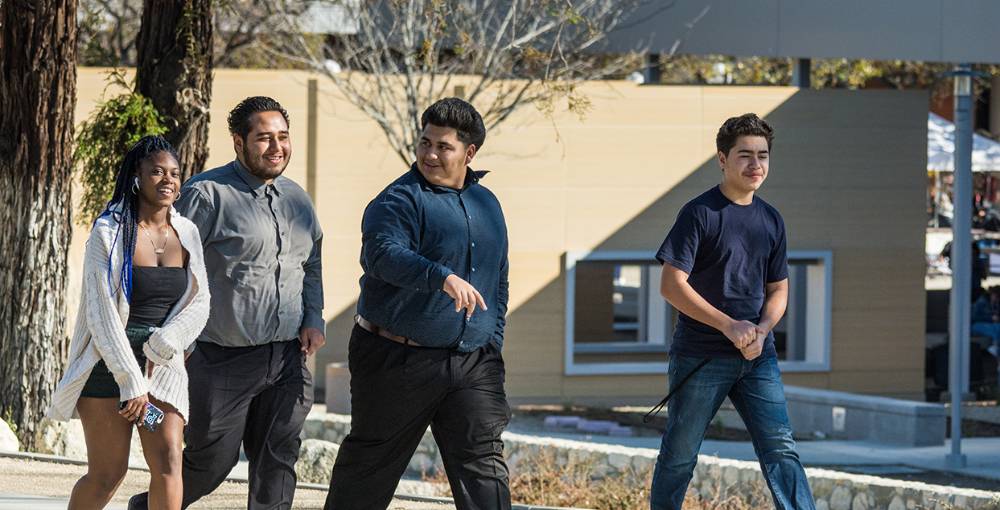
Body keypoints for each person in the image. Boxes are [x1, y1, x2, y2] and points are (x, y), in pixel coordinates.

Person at [129, 97, 325, 510]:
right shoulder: (207, 195)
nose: (277, 147)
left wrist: (313, 316)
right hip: (220, 359)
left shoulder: (298, 199)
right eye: (264, 138)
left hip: (287, 357)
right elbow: (171, 267)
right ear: (239, 142)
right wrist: (166, 343)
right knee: (211, 462)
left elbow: (311, 262)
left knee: (278, 459)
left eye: (283, 137)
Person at [325, 97, 511, 510]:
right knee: (369, 468)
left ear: (469, 153)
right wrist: (441, 276)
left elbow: (498, 279)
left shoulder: (488, 204)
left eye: (443, 146)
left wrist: (492, 342)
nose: (430, 154)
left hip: (473, 362)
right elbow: (382, 255)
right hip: (397, 359)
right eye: (425, 142)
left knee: (484, 468)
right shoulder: (398, 200)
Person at [649, 113, 815, 510]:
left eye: (763, 155)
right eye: (745, 155)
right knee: (680, 456)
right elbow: (671, 285)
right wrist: (728, 326)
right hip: (701, 356)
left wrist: (763, 329)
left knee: (782, 449)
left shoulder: (771, 219)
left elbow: (779, 289)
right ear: (722, 159)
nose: (756, 164)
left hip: (758, 357)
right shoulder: (699, 213)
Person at [48, 135, 211, 510]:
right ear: (137, 176)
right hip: (109, 366)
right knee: (107, 474)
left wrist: (170, 341)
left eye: (174, 173)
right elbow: (102, 314)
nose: (168, 180)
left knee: (169, 461)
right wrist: (131, 382)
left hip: (161, 364)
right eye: (157, 172)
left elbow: (201, 299)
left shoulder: (187, 232)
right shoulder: (108, 232)